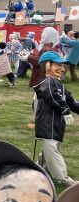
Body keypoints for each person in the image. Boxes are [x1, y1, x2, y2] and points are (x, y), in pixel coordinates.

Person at [32, 51, 79, 186]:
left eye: (62, 65)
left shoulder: (59, 85)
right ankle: (63, 178)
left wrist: (72, 107)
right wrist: (65, 111)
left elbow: (71, 101)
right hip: (47, 123)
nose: (62, 69)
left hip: (56, 124)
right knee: (52, 149)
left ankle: (38, 168)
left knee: (51, 148)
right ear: (47, 66)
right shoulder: (48, 83)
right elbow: (53, 98)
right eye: (58, 65)